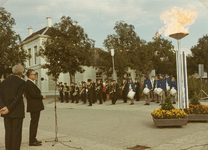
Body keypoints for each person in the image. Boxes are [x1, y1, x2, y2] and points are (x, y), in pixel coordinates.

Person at [0, 64, 25, 150]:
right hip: (17, 112)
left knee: (8, 133)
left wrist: (3, 107)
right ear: (21, 72)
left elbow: (0, 96)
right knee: (16, 134)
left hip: (5, 111)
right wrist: (9, 108)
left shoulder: (4, 82)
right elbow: (17, 98)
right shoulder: (22, 83)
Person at [25, 69, 46, 146]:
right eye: (34, 74)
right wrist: (41, 97)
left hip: (35, 106)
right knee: (34, 123)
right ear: (30, 75)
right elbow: (34, 94)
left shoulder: (30, 83)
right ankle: (32, 140)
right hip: (34, 106)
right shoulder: (29, 83)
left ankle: (33, 138)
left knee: (35, 123)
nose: (35, 76)